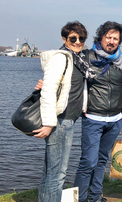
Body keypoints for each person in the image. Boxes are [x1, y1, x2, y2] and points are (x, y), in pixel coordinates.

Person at [74, 21, 122, 202]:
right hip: (93, 117)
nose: (112, 41)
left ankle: (95, 197)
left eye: (115, 38)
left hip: (114, 119)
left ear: (119, 41)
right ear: (101, 38)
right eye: (109, 37)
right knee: (88, 162)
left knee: (101, 161)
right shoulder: (86, 57)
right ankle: (80, 199)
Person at [36, 21, 93, 202]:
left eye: (81, 38)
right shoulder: (61, 58)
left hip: (69, 120)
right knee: (58, 174)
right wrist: (48, 123)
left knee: (50, 170)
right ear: (64, 39)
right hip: (60, 121)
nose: (77, 42)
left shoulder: (79, 60)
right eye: (73, 38)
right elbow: (48, 91)